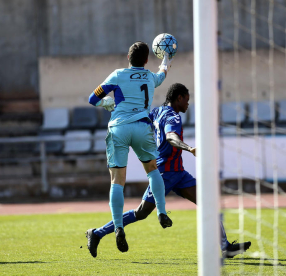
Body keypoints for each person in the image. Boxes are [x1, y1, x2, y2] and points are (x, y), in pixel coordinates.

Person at [86, 83, 251, 259]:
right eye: (186, 100)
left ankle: (225, 246)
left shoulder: (157, 111)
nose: (188, 104)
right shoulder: (173, 117)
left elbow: (141, 118)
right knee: (141, 212)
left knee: (208, 202)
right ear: (178, 98)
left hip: (179, 173)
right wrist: (188, 148)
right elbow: (171, 137)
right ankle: (96, 233)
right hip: (164, 174)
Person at [86, 42, 174, 254]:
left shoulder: (117, 75)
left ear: (128, 57)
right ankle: (161, 211)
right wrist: (167, 59)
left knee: (117, 180)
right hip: (142, 127)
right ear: (146, 60)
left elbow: (92, 99)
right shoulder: (151, 77)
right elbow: (162, 74)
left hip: (119, 128)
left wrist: (107, 103)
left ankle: (117, 227)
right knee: (153, 170)